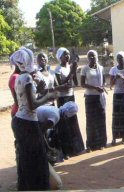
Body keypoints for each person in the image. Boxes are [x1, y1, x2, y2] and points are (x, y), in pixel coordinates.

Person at [10, 47, 56, 190]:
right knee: (38, 159)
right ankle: (38, 187)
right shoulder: (28, 78)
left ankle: (25, 186)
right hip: (28, 123)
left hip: (19, 120)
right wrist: (48, 97)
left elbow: (25, 101)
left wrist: (41, 90)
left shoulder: (19, 78)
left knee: (26, 158)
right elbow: (32, 105)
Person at [36, 101, 78, 190]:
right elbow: (40, 132)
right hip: (28, 122)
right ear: (67, 115)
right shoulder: (55, 116)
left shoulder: (56, 110)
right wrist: (47, 147)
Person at [55, 47, 84, 157]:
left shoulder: (70, 67)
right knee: (64, 124)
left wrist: (74, 71)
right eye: (65, 55)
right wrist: (71, 71)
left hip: (71, 96)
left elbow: (75, 83)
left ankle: (76, 148)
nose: (67, 56)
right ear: (60, 57)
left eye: (68, 54)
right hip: (62, 98)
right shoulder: (58, 70)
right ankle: (66, 151)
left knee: (73, 122)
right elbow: (59, 85)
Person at [81, 50, 107, 151]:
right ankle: (90, 145)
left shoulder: (101, 68)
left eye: (94, 56)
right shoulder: (85, 69)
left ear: (97, 57)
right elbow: (82, 84)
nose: (92, 58)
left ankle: (101, 143)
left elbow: (104, 81)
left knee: (101, 120)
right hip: (90, 97)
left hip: (100, 97)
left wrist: (102, 87)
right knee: (91, 121)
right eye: (90, 56)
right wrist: (95, 87)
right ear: (88, 58)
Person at [109, 51, 124, 145]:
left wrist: (123, 77)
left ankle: (123, 137)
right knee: (116, 116)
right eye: (118, 58)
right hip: (117, 94)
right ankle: (114, 137)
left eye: (121, 58)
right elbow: (111, 85)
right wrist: (115, 78)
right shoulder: (113, 69)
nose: (119, 60)